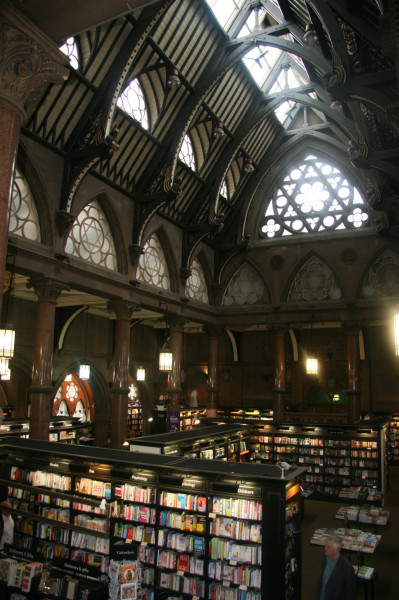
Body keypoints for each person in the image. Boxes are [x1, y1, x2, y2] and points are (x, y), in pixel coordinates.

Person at [318, 535, 357, 600]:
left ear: (337, 549)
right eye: (325, 546)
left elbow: (351, 593)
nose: (325, 548)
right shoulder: (325, 558)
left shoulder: (347, 567)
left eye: (328, 547)